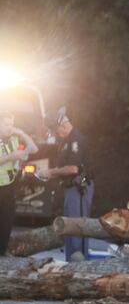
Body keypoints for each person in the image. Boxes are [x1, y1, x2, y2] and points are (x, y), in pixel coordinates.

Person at [38, 107, 93, 261]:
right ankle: (71, 261)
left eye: (55, 131)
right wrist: (49, 173)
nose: (56, 135)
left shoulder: (76, 139)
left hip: (79, 188)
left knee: (77, 226)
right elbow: (62, 167)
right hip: (69, 188)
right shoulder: (65, 141)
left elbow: (73, 168)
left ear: (62, 125)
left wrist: (51, 173)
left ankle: (79, 264)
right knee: (68, 226)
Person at [0, 111, 39, 255]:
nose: (10, 127)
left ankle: (2, 253)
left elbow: (34, 149)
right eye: (6, 124)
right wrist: (12, 156)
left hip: (9, 186)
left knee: (6, 221)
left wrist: (21, 133)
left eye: (12, 124)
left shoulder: (14, 138)